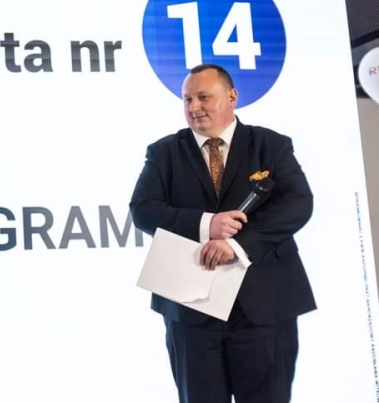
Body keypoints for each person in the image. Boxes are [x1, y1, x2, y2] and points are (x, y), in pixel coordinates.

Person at [130, 63, 316, 403]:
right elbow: (142, 210)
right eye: (187, 99)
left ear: (232, 97)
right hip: (191, 310)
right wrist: (207, 224)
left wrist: (237, 245)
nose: (194, 107)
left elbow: (298, 203)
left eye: (203, 97)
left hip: (263, 308)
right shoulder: (163, 153)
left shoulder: (271, 145)